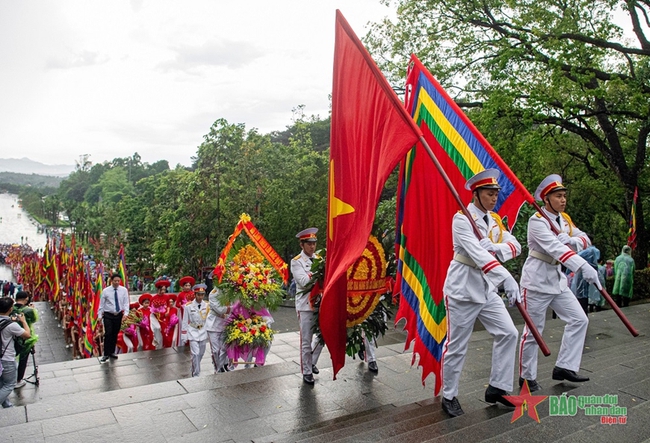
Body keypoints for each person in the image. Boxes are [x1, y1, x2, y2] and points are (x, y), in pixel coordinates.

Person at [440, 169, 521, 417]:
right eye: (489, 193)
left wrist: (496, 246)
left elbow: (515, 245)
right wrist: (506, 276)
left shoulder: (494, 220)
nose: (494, 197)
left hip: (486, 287)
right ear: (476, 195)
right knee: (457, 345)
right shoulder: (462, 219)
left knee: (509, 332)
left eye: (496, 193)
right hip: (463, 288)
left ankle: (498, 387)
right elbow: (476, 254)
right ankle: (449, 395)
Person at [519, 175, 600, 392]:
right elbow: (555, 249)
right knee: (534, 331)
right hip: (536, 281)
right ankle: (526, 377)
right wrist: (582, 266)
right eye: (558, 196)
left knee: (579, 319)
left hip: (557, 280)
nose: (563, 200)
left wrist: (572, 240)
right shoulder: (537, 220)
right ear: (547, 199)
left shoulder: (564, 220)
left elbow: (585, 238)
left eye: (564, 196)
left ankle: (565, 366)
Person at [291, 227, 321, 385]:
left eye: (314, 243)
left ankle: (312, 361)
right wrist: (318, 273)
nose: (312, 246)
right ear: (302, 245)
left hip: (320, 303)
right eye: (309, 244)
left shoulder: (319, 259)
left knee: (323, 337)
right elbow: (303, 281)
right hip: (305, 306)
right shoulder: (296, 262)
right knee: (306, 341)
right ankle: (307, 371)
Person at [0, 297, 31, 408]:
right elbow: (27, 335)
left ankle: (7, 405)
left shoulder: (9, 323)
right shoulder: (11, 325)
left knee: (1, 384)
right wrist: (23, 321)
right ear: (10, 309)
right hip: (6, 359)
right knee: (9, 384)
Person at [97, 274, 129, 363]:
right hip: (108, 315)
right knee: (108, 333)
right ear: (112, 281)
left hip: (118, 315)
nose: (117, 282)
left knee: (115, 333)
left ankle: (112, 352)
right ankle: (105, 354)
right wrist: (99, 316)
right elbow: (101, 304)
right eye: (115, 281)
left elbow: (126, 303)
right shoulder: (106, 291)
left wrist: (126, 313)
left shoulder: (123, 290)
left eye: (118, 281)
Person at [180, 284, 209, 377]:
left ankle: (194, 366)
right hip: (193, 331)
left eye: (202, 294)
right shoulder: (188, 306)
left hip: (203, 331)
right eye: (198, 294)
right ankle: (196, 373)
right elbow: (185, 321)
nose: (200, 297)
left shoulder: (207, 305)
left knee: (201, 353)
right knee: (195, 354)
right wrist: (184, 335)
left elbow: (208, 319)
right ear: (195, 294)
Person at [13, 291, 37, 389]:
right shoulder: (28, 310)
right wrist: (32, 309)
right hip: (25, 337)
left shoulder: (11, 308)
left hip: (12, 336)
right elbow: (34, 319)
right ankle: (18, 380)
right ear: (26, 299)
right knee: (23, 360)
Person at [205, 287, 232, 373]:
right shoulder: (214, 293)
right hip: (213, 324)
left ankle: (222, 366)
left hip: (224, 323)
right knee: (216, 350)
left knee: (224, 348)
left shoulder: (228, 290)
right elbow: (220, 310)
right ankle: (217, 368)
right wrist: (234, 307)